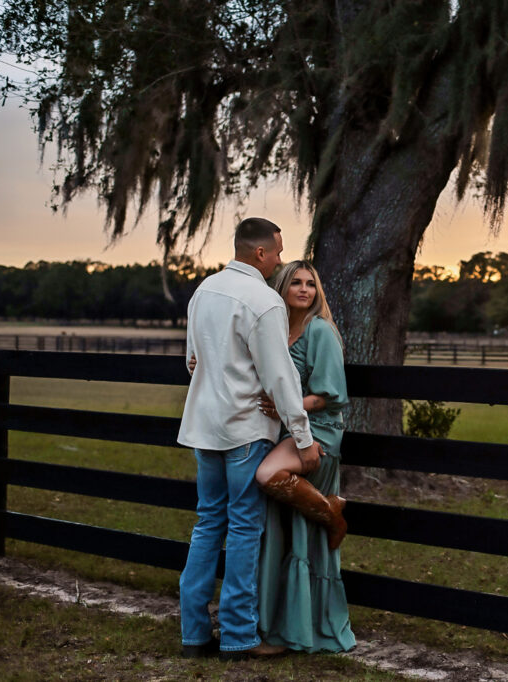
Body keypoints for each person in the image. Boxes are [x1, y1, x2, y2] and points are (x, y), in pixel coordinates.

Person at [177, 218, 323, 661]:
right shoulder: (263, 300)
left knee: (207, 524)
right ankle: (240, 637)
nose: (280, 258)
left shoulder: (204, 290)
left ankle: (194, 634)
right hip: (243, 430)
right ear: (260, 253)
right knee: (243, 529)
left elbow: (191, 361)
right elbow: (281, 378)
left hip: (205, 428)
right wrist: (303, 439)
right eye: (278, 251)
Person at [253, 260, 356, 653]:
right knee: (285, 534)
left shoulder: (320, 330)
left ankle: (331, 513)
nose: (303, 289)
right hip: (284, 432)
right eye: (295, 282)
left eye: (310, 284)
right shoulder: (278, 331)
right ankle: (283, 631)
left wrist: (289, 408)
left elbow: (328, 395)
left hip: (318, 434)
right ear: (281, 288)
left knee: (267, 475)